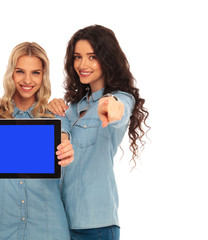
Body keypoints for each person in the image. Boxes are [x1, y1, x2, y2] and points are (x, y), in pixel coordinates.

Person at [48, 25, 150, 240]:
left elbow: (119, 109)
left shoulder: (121, 98)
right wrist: (54, 110)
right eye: (77, 57)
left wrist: (111, 106)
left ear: (107, 59)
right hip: (60, 223)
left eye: (92, 57)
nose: (82, 65)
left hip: (96, 226)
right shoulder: (72, 108)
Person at [0, 42, 74, 240]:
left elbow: (63, 135)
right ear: (11, 74)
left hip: (50, 228)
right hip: (2, 229)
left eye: (35, 72)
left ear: (43, 76)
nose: (27, 80)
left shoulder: (55, 116)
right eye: (20, 72)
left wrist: (65, 146)